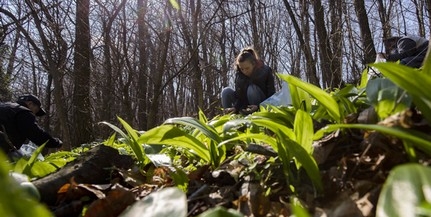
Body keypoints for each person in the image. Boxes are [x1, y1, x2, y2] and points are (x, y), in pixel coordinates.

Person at [0, 94, 62, 159]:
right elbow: (36, 134)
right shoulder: (22, 112)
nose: (34, 114)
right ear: (30, 104)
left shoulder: (6, 107)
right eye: (35, 111)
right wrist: (57, 143)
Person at [221, 47, 275, 115]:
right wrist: (235, 108)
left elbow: (272, 95)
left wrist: (258, 107)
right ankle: (228, 115)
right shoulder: (239, 75)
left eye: (247, 68)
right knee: (226, 91)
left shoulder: (265, 71)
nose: (244, 71)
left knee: (252, 89)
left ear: (254, 64)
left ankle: (257, 115)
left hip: (261, 105)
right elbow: (240, 97)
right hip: (244, 105)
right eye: (242, 69)